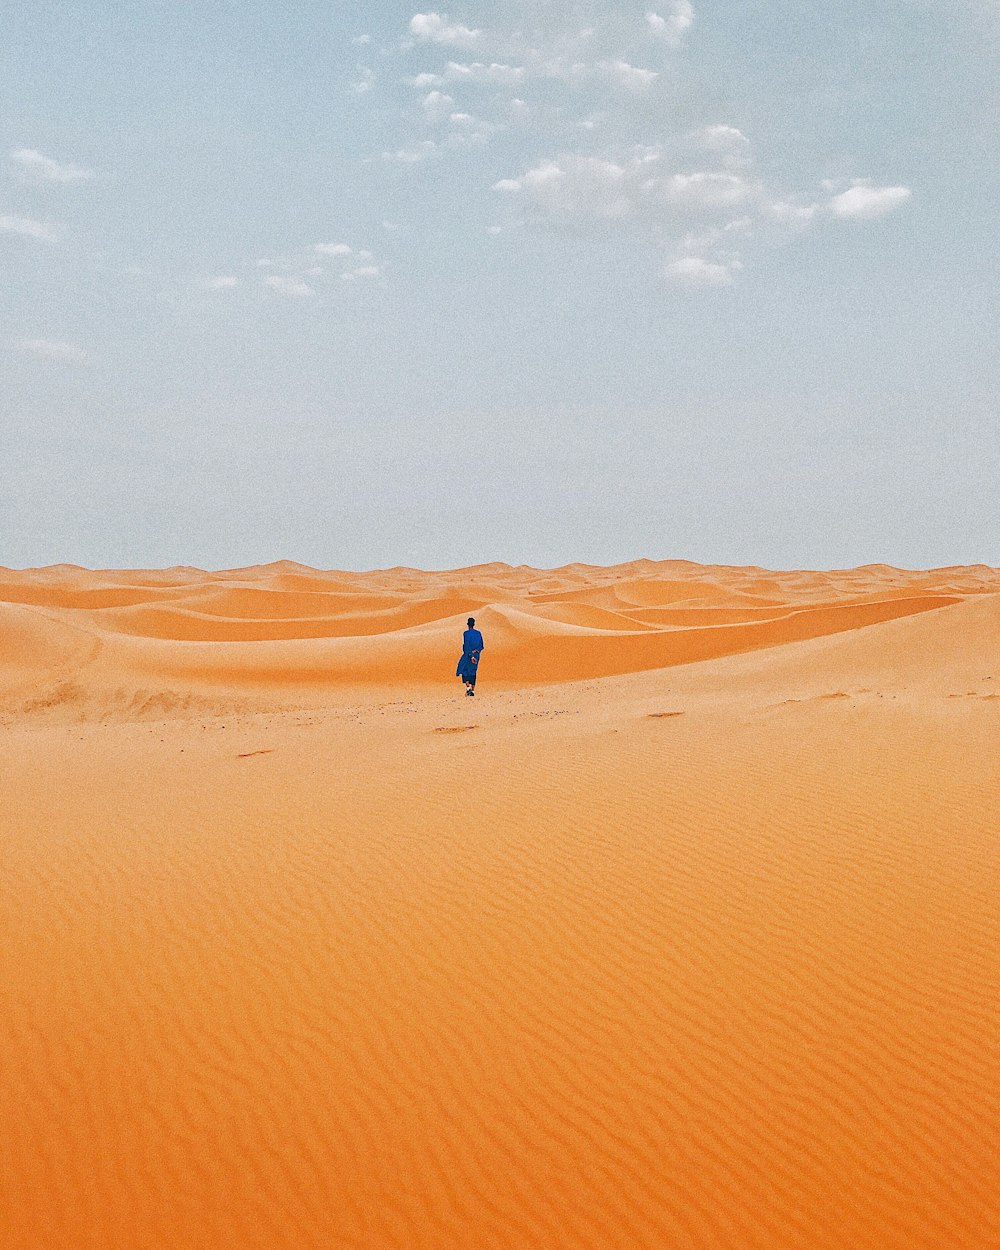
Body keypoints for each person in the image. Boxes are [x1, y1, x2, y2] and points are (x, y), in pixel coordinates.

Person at [456, 616, 485, 696]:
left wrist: (471, 655)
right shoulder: (478, 633)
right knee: (473, 671)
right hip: (476, 655)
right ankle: (472, 690)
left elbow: (467, 645)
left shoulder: (466, 633)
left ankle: (468, 688)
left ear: (468, 624)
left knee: (464, 670)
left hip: (468, 655)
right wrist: (476, 651)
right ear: (474, 624)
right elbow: (481, 645)